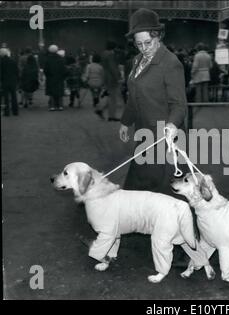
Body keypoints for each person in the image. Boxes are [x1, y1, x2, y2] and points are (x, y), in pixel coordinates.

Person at [119, 8, 190, 266]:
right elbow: (134, 96)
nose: (143, 48)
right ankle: (123, 232)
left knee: (171, 192)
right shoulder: (138, 62)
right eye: (138, 44)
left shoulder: (170, 63)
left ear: (158, 36)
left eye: (148, 42)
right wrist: (127, 121)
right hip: (144, 135)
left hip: (166, 139)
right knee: (138, 184)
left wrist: (172, 125)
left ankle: (186, 249)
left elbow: (179, 103)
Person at [102, 40, 123, 121]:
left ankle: (103, 110)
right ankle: (112, 116)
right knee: (113, 98)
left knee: (110, 96)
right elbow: (112, 67)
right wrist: (117, 77)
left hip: (105, 76)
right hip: (111, 78)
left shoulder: (104, 53)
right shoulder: (111, 54)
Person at [44, 45, 67, 111]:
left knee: (51, 92)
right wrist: (63, 76)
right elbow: (64, 69)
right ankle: (60, 106)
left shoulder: (48, 59)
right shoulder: (61, 59)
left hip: (51, 78)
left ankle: (52, 106)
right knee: (59, 92)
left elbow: (46, 70)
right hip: (59, 78)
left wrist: (48, 76)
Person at [81, 53, 105, 118]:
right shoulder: (100, 67)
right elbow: (103, 75)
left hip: (91, 82)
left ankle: (95, 99)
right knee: (98, 92)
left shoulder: (89, 66)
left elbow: (87, 74)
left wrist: (84, 80)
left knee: (93, 92)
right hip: (99, 82)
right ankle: (97, 99)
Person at [0, 48, 19, 116]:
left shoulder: (1, 62)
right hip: (13, 81)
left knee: (6, 97)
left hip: (5, 81)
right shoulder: (13, 61)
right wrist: (17, 80)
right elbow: (17, 71)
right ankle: (15, 111)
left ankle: (7, 112)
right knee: (14, 96)